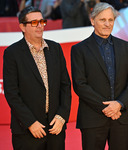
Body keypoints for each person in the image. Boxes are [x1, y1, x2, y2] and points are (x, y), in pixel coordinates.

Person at [71, 2, 128, 150]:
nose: (107, 24)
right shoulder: (79, 49)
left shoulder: (124, 46)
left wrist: (119, 104)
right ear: (92, 20)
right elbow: (79, 84)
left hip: (121, 118)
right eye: (103, 20)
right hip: (93, 118)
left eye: (111, 20)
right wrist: (107, 108)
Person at [3, 6, 71, 150]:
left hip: (55, 128)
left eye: (42, 21)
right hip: (27, 131)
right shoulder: (12, 53)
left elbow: (65, 86)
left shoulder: (55, 48)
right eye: (34, 23)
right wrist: (30, 122)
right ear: (22, 26)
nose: (40, 26)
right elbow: (11, 93)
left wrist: (62, 117)